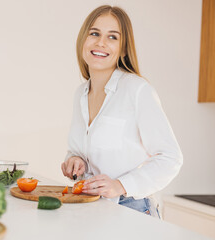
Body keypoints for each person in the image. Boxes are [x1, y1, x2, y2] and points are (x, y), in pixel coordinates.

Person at [61, 5, 183, 218]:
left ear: (124, 49)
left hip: (131, 209)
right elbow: (81, 149)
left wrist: (120, 185)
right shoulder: (80, 93)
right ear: (83, 39)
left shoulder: (137, 90)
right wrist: (75, 159)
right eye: (95, 33)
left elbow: (171, 157)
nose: (101, 42)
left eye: (113, 37)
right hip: (90, 208)